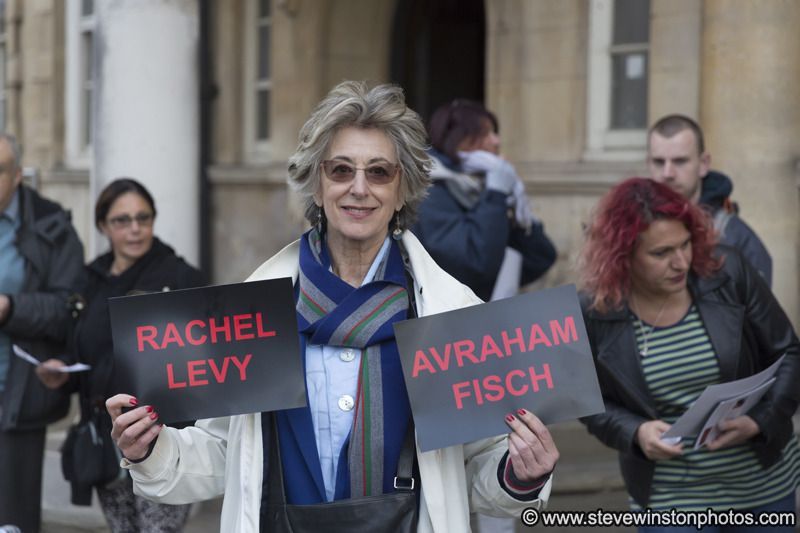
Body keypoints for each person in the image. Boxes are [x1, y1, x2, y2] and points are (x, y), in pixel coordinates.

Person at [105, 81, 559, 532]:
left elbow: (465, 472)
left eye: (379, 172)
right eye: (341, 170)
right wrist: (150, 449)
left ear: (402, 190)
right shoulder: (260, 306)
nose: (359, 188)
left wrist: (520, 473)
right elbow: (225, 455)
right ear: (317, 185)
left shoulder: (448, 311)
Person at [579, 177, 800, 531]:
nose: (680, 262)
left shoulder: (728, 271)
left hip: (761, 488)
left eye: (685, 245)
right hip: (670, 499)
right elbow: (588, 401)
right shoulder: (596, 311)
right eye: (661, 253)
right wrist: (635, 432)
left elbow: (788, 351)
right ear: (623, 257)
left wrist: (762, 419)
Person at [40, 178, 203, 531]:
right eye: (122, 220)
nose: (134, 229)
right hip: (105, 435)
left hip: (163, 434)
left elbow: (203, 356)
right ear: (103, 226)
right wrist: (64, 370)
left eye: (143, 218)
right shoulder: (90, 279)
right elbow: (81, 347)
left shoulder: (179, 277)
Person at [0, 133, 84, 532]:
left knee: (12, 521)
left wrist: (10, 308)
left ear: (18, 176)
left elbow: (68, 308)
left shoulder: (52, 226)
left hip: (14, 398)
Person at [413, 99, 556, 302]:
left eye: (494, 133)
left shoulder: (482, 186)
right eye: (484, 134)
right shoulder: (429, 190)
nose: (496, 141)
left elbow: (540, 258)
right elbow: (473, 265)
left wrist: (516, 210)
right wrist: (495, 195)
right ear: (456, 138)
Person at [647, 114, 772, 286]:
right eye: (659, 162)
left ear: (704, 163)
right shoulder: (627, 230)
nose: (667, 173)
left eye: (680, 161)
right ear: (648, 163)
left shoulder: (736, 239)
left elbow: (757, 311)